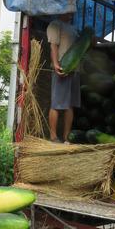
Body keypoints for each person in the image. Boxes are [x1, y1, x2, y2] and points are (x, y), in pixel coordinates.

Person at [47, 13, 81, 143]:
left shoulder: (74, 28)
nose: (72, 12)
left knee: (70, 105)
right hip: (62, 68)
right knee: (56, 104)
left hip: (74, 69)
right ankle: (53, 136)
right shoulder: (55, 24)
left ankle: (67, 137)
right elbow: (53, 46)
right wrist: (56, 64)